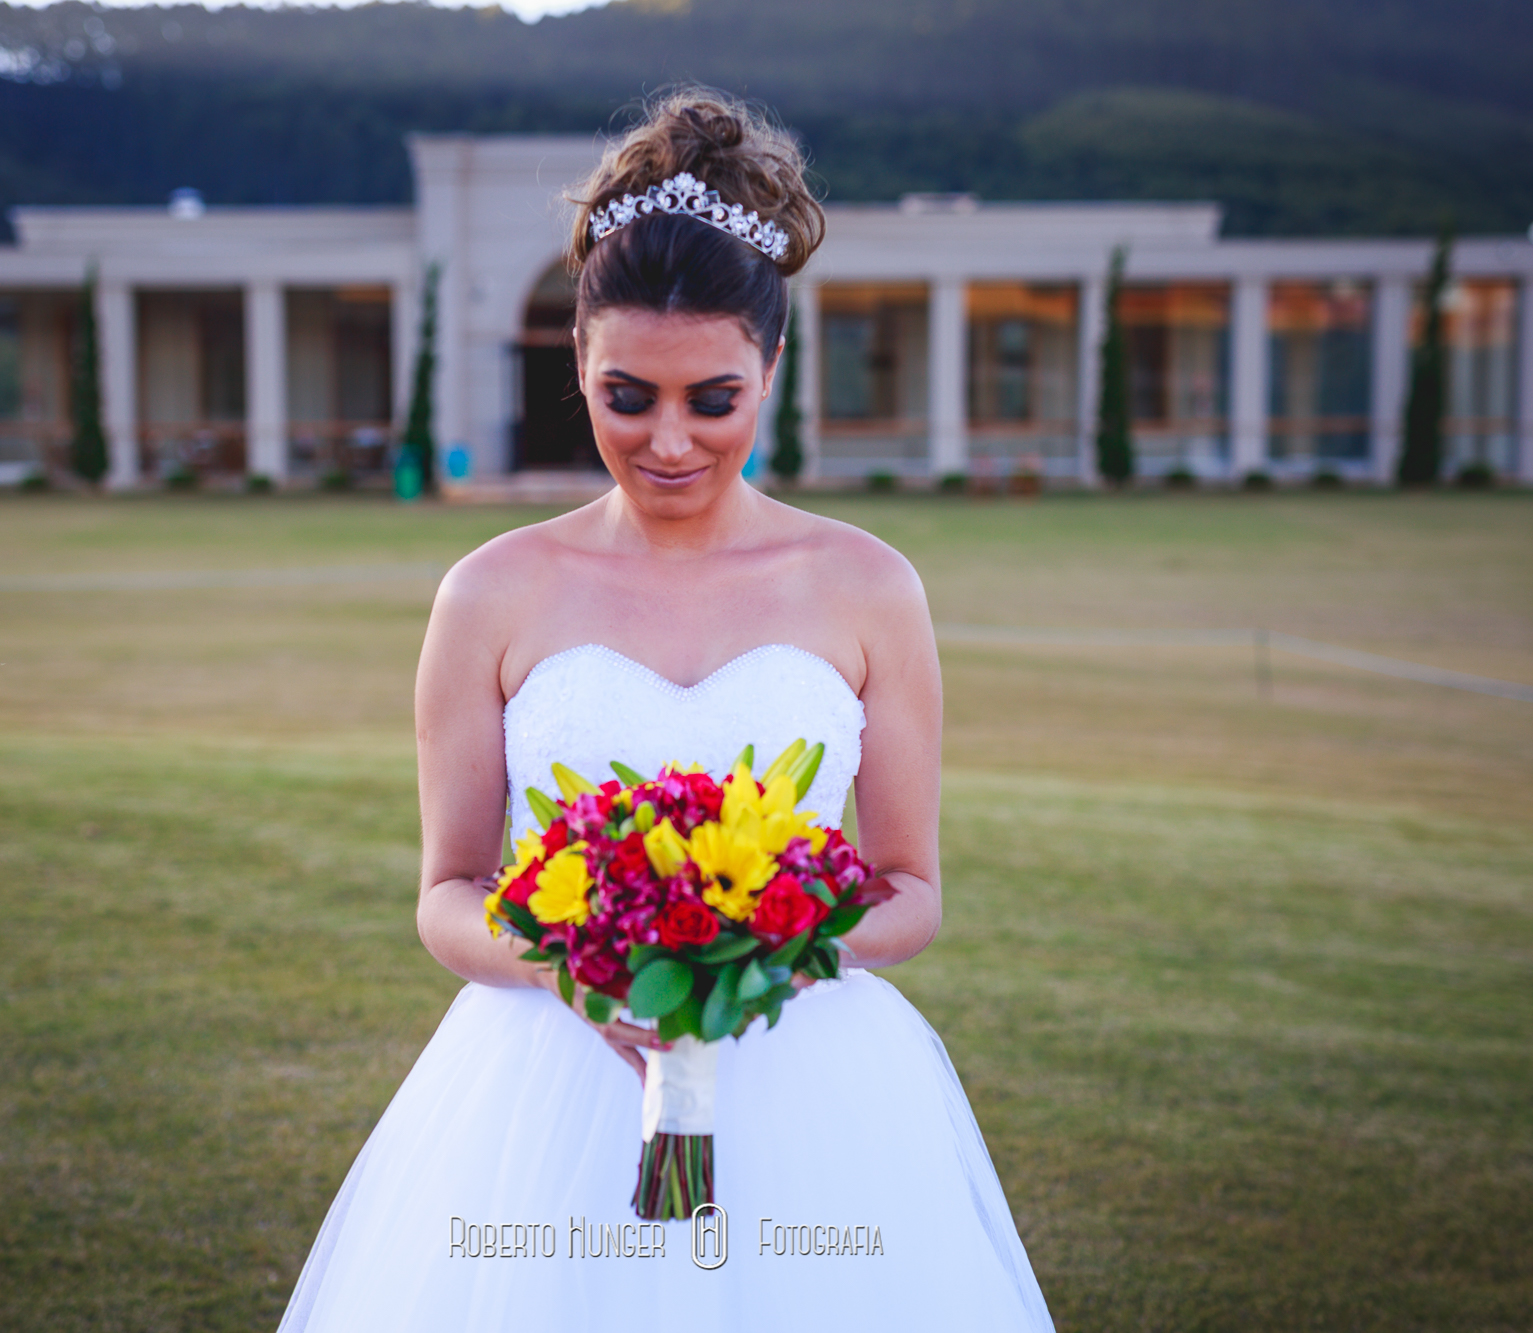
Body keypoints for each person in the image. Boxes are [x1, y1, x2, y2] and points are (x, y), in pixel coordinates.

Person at [275, 89, 1055, 1331]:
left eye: (714, 399)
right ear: (577, 362)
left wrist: (753, 961)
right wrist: (581, 971)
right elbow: (445, 893)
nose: (671, 441)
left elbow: (909, 888)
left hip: (809, 1071)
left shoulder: (868, 587)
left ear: (772, 372)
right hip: (544, 1078)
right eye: (626, 396)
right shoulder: (489, 592)